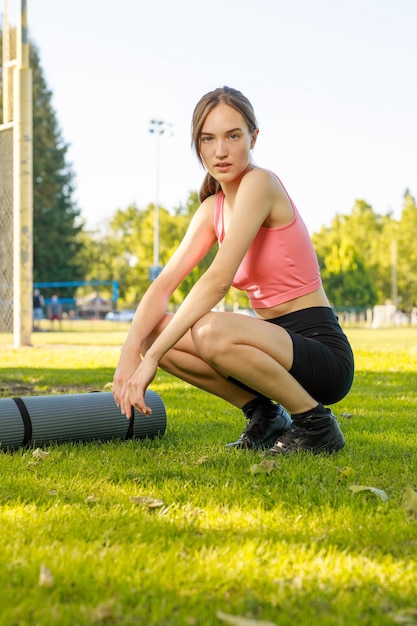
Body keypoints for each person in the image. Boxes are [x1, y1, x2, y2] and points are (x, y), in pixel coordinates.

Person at [112, 86, 354, 455]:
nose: (220, 151)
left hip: (320, 352)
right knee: (150, 330)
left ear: (253, 137)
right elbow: (163, 285)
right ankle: (265, 415)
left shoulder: (261, 183)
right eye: (208, 139)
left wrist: (154, 360)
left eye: (232, 136)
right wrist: (133, 350)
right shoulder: (213, 210)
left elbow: (217, 280)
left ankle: (315, 424)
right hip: (267, 346)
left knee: (210, 330)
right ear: (198, 146)